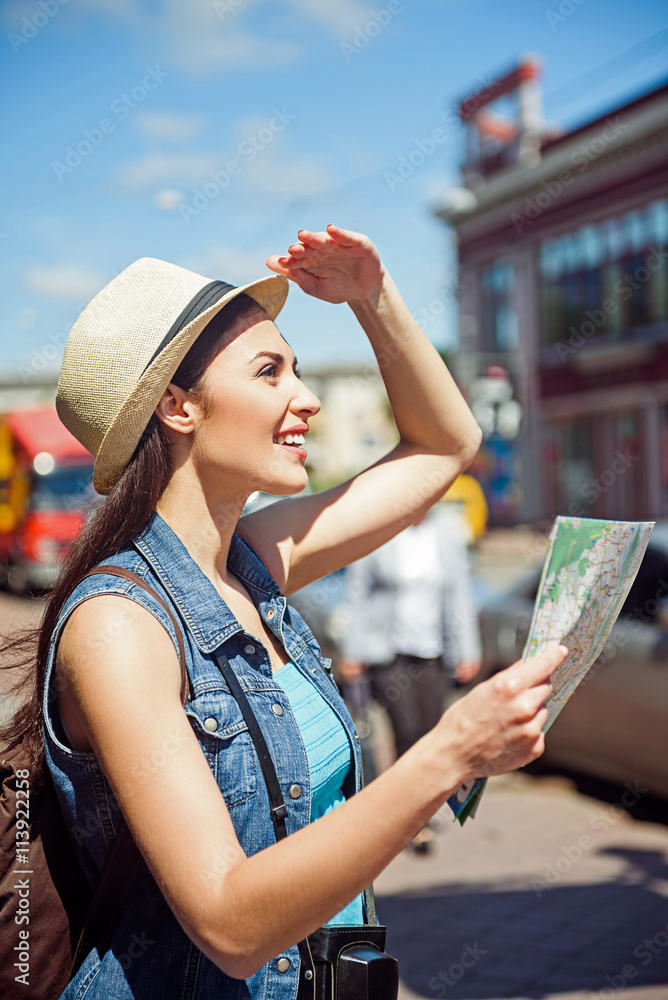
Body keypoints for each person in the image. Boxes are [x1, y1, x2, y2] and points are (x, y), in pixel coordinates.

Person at [1, 224, 566, 999]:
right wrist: (450, 756)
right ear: (177, 406)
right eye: (270, 373)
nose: (307, 398)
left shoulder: (255, 560)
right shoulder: (119, 628)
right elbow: (230, 925)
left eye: (296, 370)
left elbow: (443, 447)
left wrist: (374, 298)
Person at [339, 503, 482, 851]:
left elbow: (460, 591)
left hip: (433, 653)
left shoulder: (447, 529)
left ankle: (419, 810)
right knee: (406, 732)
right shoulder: (382, 528)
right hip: (389, 654)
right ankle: (410, 817)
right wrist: (353, 650)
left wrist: (467, 648)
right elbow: (359, 594)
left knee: (430, 734)